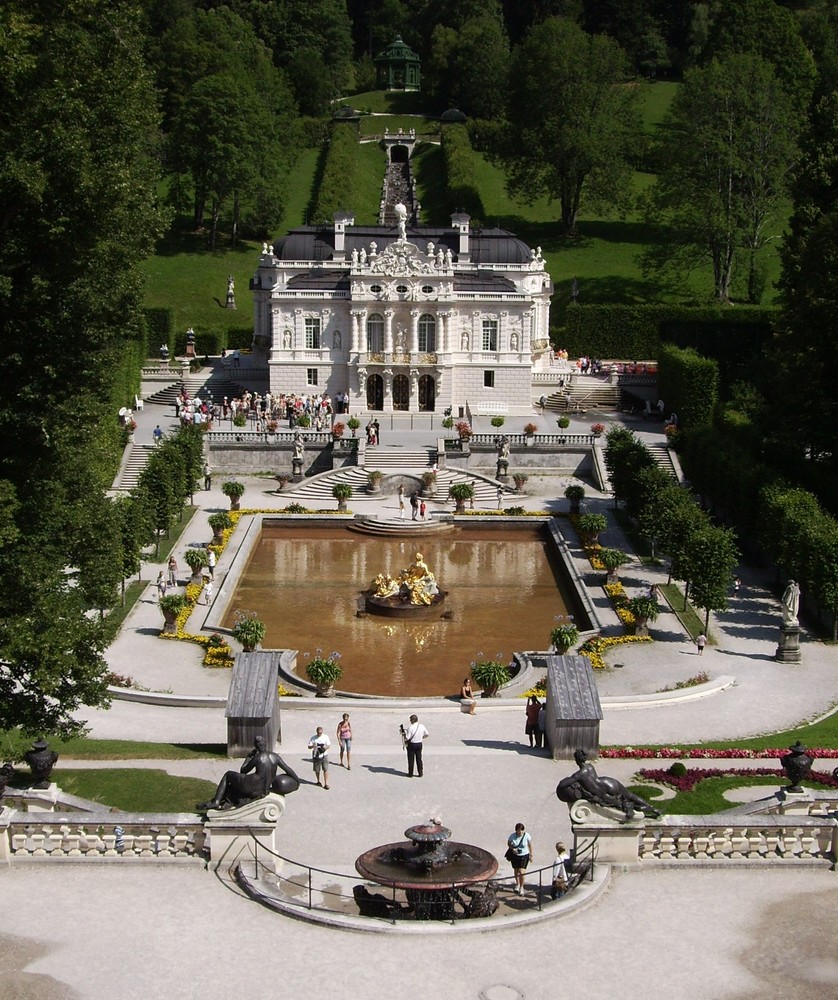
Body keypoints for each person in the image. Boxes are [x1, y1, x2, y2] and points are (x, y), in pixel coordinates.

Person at [197, 736, 300, 811]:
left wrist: (248, 758)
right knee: (234, 782)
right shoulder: (275, 756)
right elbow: (288, 770)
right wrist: (297, 780)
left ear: (256, 746)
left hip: (250, 785)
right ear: (265, 744)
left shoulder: (257, 758)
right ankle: (221, 800)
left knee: (228, 774)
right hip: (262, 790)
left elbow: (243, 770)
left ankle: (216, 801)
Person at [507, 822, 533, 895]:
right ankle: (517, 884)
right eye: (518, 831)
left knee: (522, 872)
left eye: (521, 830)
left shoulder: (527, 836)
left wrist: (531, 855)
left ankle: (522, 887)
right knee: (516, 870)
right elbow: (508, 843)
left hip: (524, 855)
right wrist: (512, 848)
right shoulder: (512, 836)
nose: (520, 832)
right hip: (515, 855)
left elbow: (530, 845)